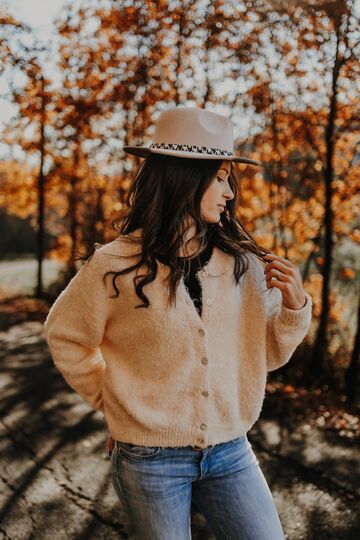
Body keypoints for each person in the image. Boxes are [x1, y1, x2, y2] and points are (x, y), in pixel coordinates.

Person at [44, 106, 312, 540]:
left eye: (230, 179)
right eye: (221, 177)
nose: (229, 193)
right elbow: (66, 336)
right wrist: (115, 407)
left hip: (231, 451)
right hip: (149, 461)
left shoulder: (242, 264)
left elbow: (265, 358)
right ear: (184, 178)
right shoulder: (114, 264)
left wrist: (295, 307)